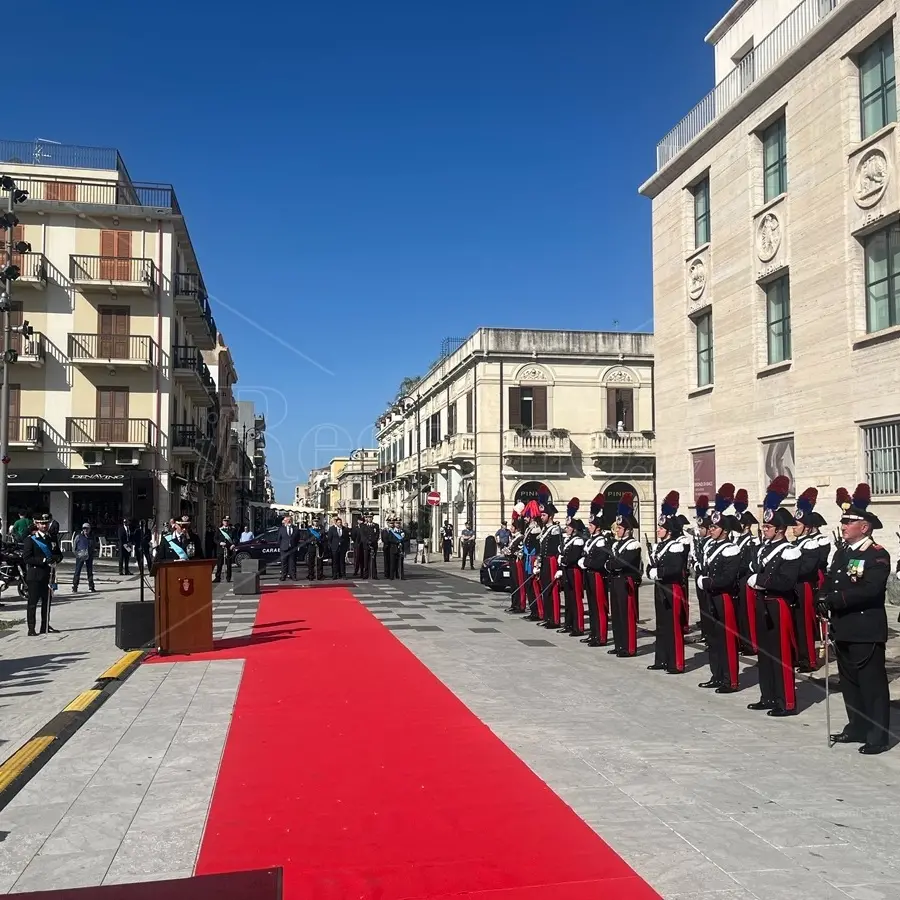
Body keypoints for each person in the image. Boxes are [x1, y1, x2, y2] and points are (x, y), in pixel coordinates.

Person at [820, 483, 891, 754]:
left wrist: (835, 600)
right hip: (843, 627)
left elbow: (870, 589)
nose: (844, 525)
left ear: (864, 527)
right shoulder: (842, 553)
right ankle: (857, 726)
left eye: (849, 522)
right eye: (843, 521)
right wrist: (821, 597)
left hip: (865, 628)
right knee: (849, 683)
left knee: (872, 685)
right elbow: (830, 579)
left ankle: (877, 735)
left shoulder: (876, 554)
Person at [747, 477, 801, 717]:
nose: (763, 530)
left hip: (778, 605)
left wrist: (760, 581)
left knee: (780, 654)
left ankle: (785, 701)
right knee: (765, 653)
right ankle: (767, 695)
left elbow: (786, 582)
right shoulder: (763, 549)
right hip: (762, 604)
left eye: (767, 527)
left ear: (779, 529)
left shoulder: (790, 551)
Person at [696, 508, 742, 693]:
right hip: (711, 597)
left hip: (724, 598)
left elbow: (728, 578)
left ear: (724, 531)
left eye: (715, 527)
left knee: (727, 639)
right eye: (712, 527)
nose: (711, 530)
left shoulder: (731, 549)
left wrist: (707, 581)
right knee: (713, 638)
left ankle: (730, 679)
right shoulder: (710, 546)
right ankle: (716, 675)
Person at [646, 491, 688, 673]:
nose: (658, 530)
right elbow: (650, 567)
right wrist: (651, 571)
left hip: (672, 588)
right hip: (660, 588)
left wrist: (659, 572)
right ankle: (661, 658)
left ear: (669, 531)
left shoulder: (676, 546)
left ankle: (676, 662)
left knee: (673, 626)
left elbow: (676, 568)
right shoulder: (659, 547)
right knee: (661, 625)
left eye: (661, 528)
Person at [792, 488, 829, 673]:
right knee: (795, 623)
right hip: (793, 586)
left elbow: (810, 567)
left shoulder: (813, 543)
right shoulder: (795, 544)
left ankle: (809, 660)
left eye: (796, 525)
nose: (793, 528)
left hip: (806, 585)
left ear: (806, 527)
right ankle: (798, 656)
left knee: (805, 623)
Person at [605, 492, 642, 657]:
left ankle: (629, 647)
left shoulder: (633, 544)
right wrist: (611, 565)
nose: (617, 530)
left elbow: (622, 563)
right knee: (617, 615)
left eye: (619, 528)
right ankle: (619, 644)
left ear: (627, 529)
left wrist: (611, 565)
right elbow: (610, 562)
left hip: (626, 582)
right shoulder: (617, 545)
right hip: (616, 581)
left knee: (626, 615)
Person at [23, 514, 62, 635]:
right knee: (33, 603)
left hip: (48, 575)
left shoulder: (52, 538)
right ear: (37, 524)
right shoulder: (31, 539)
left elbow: (59, 554)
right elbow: (27, 558)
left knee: (47, 602)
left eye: (46, 523)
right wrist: (44, 560)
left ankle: (45, 626)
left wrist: (55, 559)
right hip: (35, 575)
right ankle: (31, 628)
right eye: (41, 523)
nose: (44, 525)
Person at [579, 494, 610, 647]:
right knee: (591, 606)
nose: (589, 527)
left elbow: (599, 561)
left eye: (591, 525)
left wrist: (586, 562)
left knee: (599, 606)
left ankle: (601, 636)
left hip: (597, 575)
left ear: (598, 526)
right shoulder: (591, 540)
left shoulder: (601, 541)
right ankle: (593, 634)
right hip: (590, 575)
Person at [732, 489, 760, 655]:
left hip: (747, 579)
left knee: (748, 613)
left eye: (740, 524)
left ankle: (752, 644)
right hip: (737, 578)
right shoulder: (737, 540)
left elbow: (751, 562)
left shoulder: (752, 541)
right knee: (739, 612)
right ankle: (743, 641)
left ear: (747, 526)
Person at [557, 514, 586, 637]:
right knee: (568, 598)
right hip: (567, 570)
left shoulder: (578, 540)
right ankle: (568, 624)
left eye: (569, 527)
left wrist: (564, 560)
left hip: (574, 571)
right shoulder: (567, 540)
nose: (566, 529)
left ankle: (578, 626)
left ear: (574, 529)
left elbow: (574, 557)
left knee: (575, 599)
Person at [536, 496, 563, 629]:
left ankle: (555, 619)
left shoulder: (555, 530)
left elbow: (558, 549)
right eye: (541, 514)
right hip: (545, 561)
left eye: (544, 514)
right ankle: (548, 617)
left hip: (552, 561)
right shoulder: (545, 529)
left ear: (550, 516)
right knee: (544, 588)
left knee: (552, 590)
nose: (541, 516)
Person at [504, 508, 526, 613]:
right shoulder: (513, 538)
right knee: (513, 584)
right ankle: (514, 603)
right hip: (512, 562)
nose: (510, 528)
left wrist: (510, 552)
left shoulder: (520, 538)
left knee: (518, 584)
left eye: (512, 526)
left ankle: (520, 605)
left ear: (516, 528)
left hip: (517, 563)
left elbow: (520, 552)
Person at [72, 522, 96, 593]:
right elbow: (74, 547)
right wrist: (77, 554)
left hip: (89, 556)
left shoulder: (92, 537)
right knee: (77, 571)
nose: (85, 530)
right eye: (84, 528)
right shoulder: (78, 536)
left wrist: (93, 552)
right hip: (80, 556)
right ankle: (75, 586)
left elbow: (94, 545)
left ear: (89, 529)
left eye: (87, 528)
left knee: (90, 571)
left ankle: (91, 586)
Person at [214, 515, 237, 583]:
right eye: (225, 521)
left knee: (229, 565)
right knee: (219, 564)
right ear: (222, 521)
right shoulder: (219, 530)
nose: (226, 522)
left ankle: (228, 577)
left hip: (229, 549)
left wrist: (233, 544)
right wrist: (220, 543)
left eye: (227, 521)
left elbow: (236, 538)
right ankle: (218, 577)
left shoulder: (232, 530)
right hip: (220, 549)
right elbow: (215, 539)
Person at [277, 514, 300, 581]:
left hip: (292, 548)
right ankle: (283, 576)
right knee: (284, 563)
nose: (289, 521)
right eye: (287, 520)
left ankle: (293, 576)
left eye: (290, 520)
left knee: (292, 563)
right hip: (284, 548)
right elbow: (279, 539)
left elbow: (298, 538)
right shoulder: (282, 528)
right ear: (285, 521)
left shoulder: (295, 528)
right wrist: (281, 546)